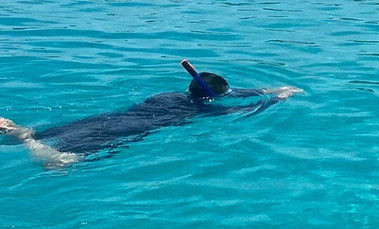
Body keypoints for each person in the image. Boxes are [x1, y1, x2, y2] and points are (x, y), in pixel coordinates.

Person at [0, 67, 301, 167]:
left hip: (120, 115)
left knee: (83, 128)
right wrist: (277, 98)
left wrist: (269, 88)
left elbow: (234, 93)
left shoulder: (169, 95)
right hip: (143, 125)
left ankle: (26, 135)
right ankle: (38, 148)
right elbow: (248, 107)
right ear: (216, 96)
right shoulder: (207, 109)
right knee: (79, 152)